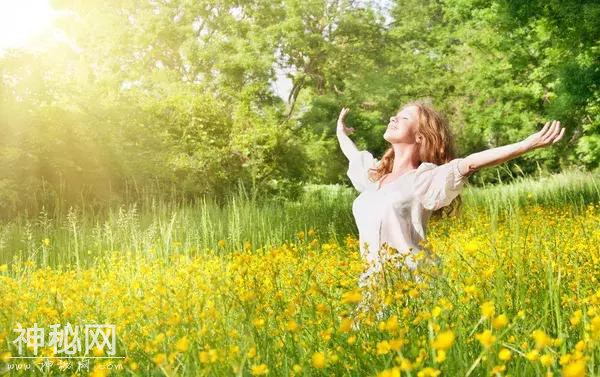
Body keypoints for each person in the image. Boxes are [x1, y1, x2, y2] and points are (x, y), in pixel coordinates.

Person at [336, 99, 565, 315]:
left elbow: (470, 163)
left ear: (420, 137)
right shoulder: (375, 178)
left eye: (404, 118)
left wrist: (525, 145)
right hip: (373, 285)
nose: (393, 119)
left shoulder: (424, 179)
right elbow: (353, 155)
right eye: (395, 116)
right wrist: (340, 131)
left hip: (411, 284)